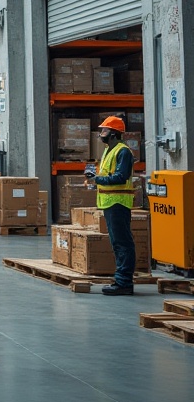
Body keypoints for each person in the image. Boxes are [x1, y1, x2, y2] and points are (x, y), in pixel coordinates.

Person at [85, 115, 136, 295]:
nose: (100, 133)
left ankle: (124, 282)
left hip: (118, 202)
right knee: (117, 243)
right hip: (109, 202)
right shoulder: (109, 150)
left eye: (104, 130)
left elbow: (121, 177)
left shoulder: (123, 152)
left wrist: (97, 179)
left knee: (122, 243)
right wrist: (95, 181)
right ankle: (121, 280)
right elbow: (108, 175)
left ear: (113, 133)